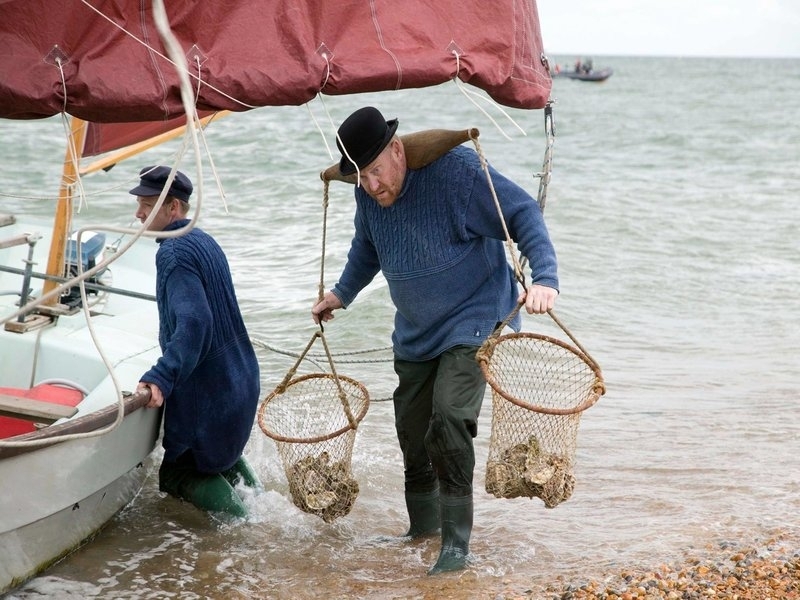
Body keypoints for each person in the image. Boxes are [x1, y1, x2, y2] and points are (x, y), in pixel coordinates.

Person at [311, 107, 559, 574]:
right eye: (360, 177)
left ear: (398, 150)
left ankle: (456, 547)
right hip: (417, 331)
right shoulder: (369, 196)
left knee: (449, 418)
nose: (371, 185)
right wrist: (340, 294)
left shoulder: (458, 176)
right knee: (412, 429)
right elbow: (369, 248)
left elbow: (522, 212)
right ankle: (421, 531)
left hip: (475, 317)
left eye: (376, 171)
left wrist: (545, 277)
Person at [130, 165, 262, 518]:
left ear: (173, 208)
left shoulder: (172, 252)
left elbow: (195, 322)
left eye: (147, 204)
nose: (138, 213)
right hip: (241, 384)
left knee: (177, 473)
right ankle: (260, 505)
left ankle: (246, 529)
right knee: (218, 459)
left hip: (213, 396)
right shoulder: (203, 240)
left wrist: (162, 375)